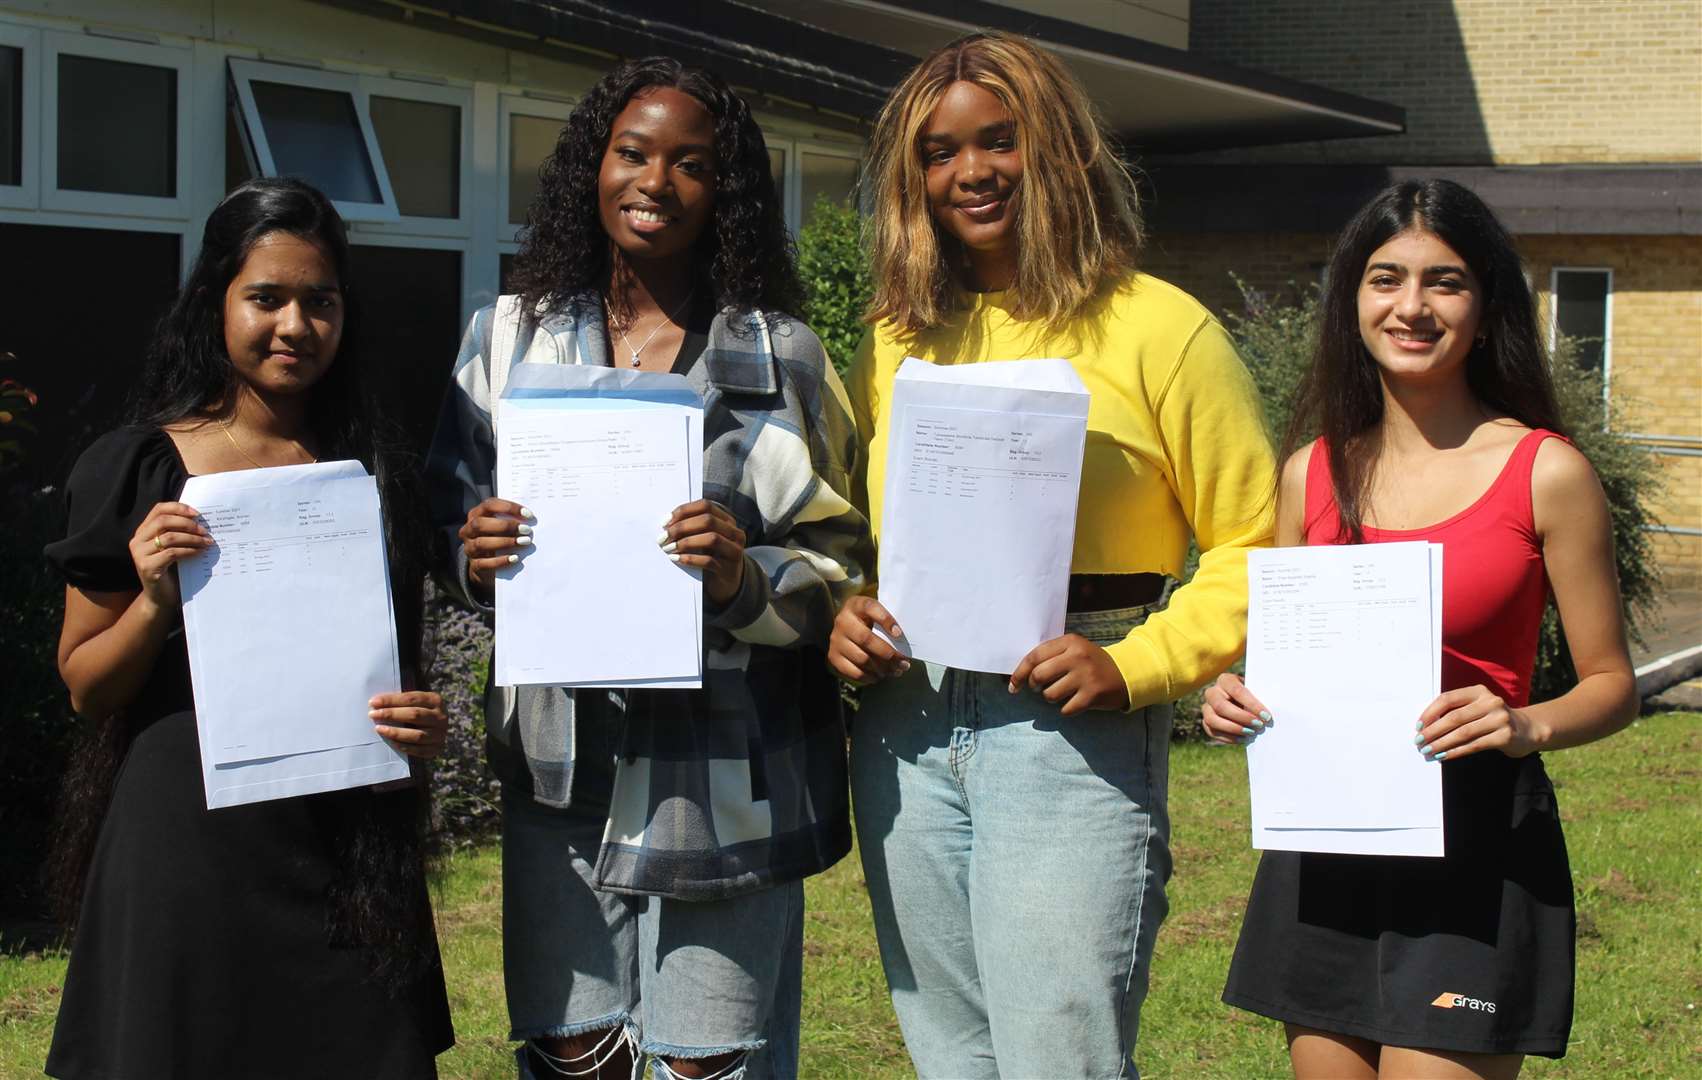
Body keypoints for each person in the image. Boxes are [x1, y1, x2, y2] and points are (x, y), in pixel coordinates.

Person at [827, 31, 1278, 1078]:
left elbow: (1258, 543)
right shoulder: (894, 337)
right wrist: (842, 606)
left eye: (998, 140)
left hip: (1072, 727)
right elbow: (843, 525)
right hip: (907, 720)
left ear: (1061, 150)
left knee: (1056, 1056)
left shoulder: (1160, 329)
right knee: (951, 1051)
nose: (969, 171)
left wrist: (1138, 665)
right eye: (938, 153)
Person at [427, 57, 870, 1080]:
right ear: (592, 165)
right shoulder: (507, 340)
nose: (655, 183)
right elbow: (444, 518)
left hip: (723, 772)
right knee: (571, 1050)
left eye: (692, 165)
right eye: (632, 153)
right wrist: (475, 556)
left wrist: (741, 580)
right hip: (560, 761)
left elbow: (841, 564)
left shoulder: (782, 359)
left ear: (729, 194)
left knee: (706, 1063)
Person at [1203, 179, 1639, 1079]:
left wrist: (1526, 724)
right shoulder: (1308, 474)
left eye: (1443, 282)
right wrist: (1238, 697)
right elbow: (1284, 666)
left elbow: (1612, 683)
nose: (1411, 306)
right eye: (1385, 278)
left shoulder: (1545, 472)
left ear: (1486, 306)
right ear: (1352, 299)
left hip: (1476, 842)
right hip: (1325, 844)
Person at [42, 177, 454, 1079]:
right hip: (186, 856)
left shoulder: (371, 475)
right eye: (266, 298)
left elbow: (391, 674)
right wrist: (154, 599)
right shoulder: (140, 468)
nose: (295, 326)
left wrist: (418, 728)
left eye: (321, 302)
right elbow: (86, 686)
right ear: (213, 303)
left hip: (343, 858)